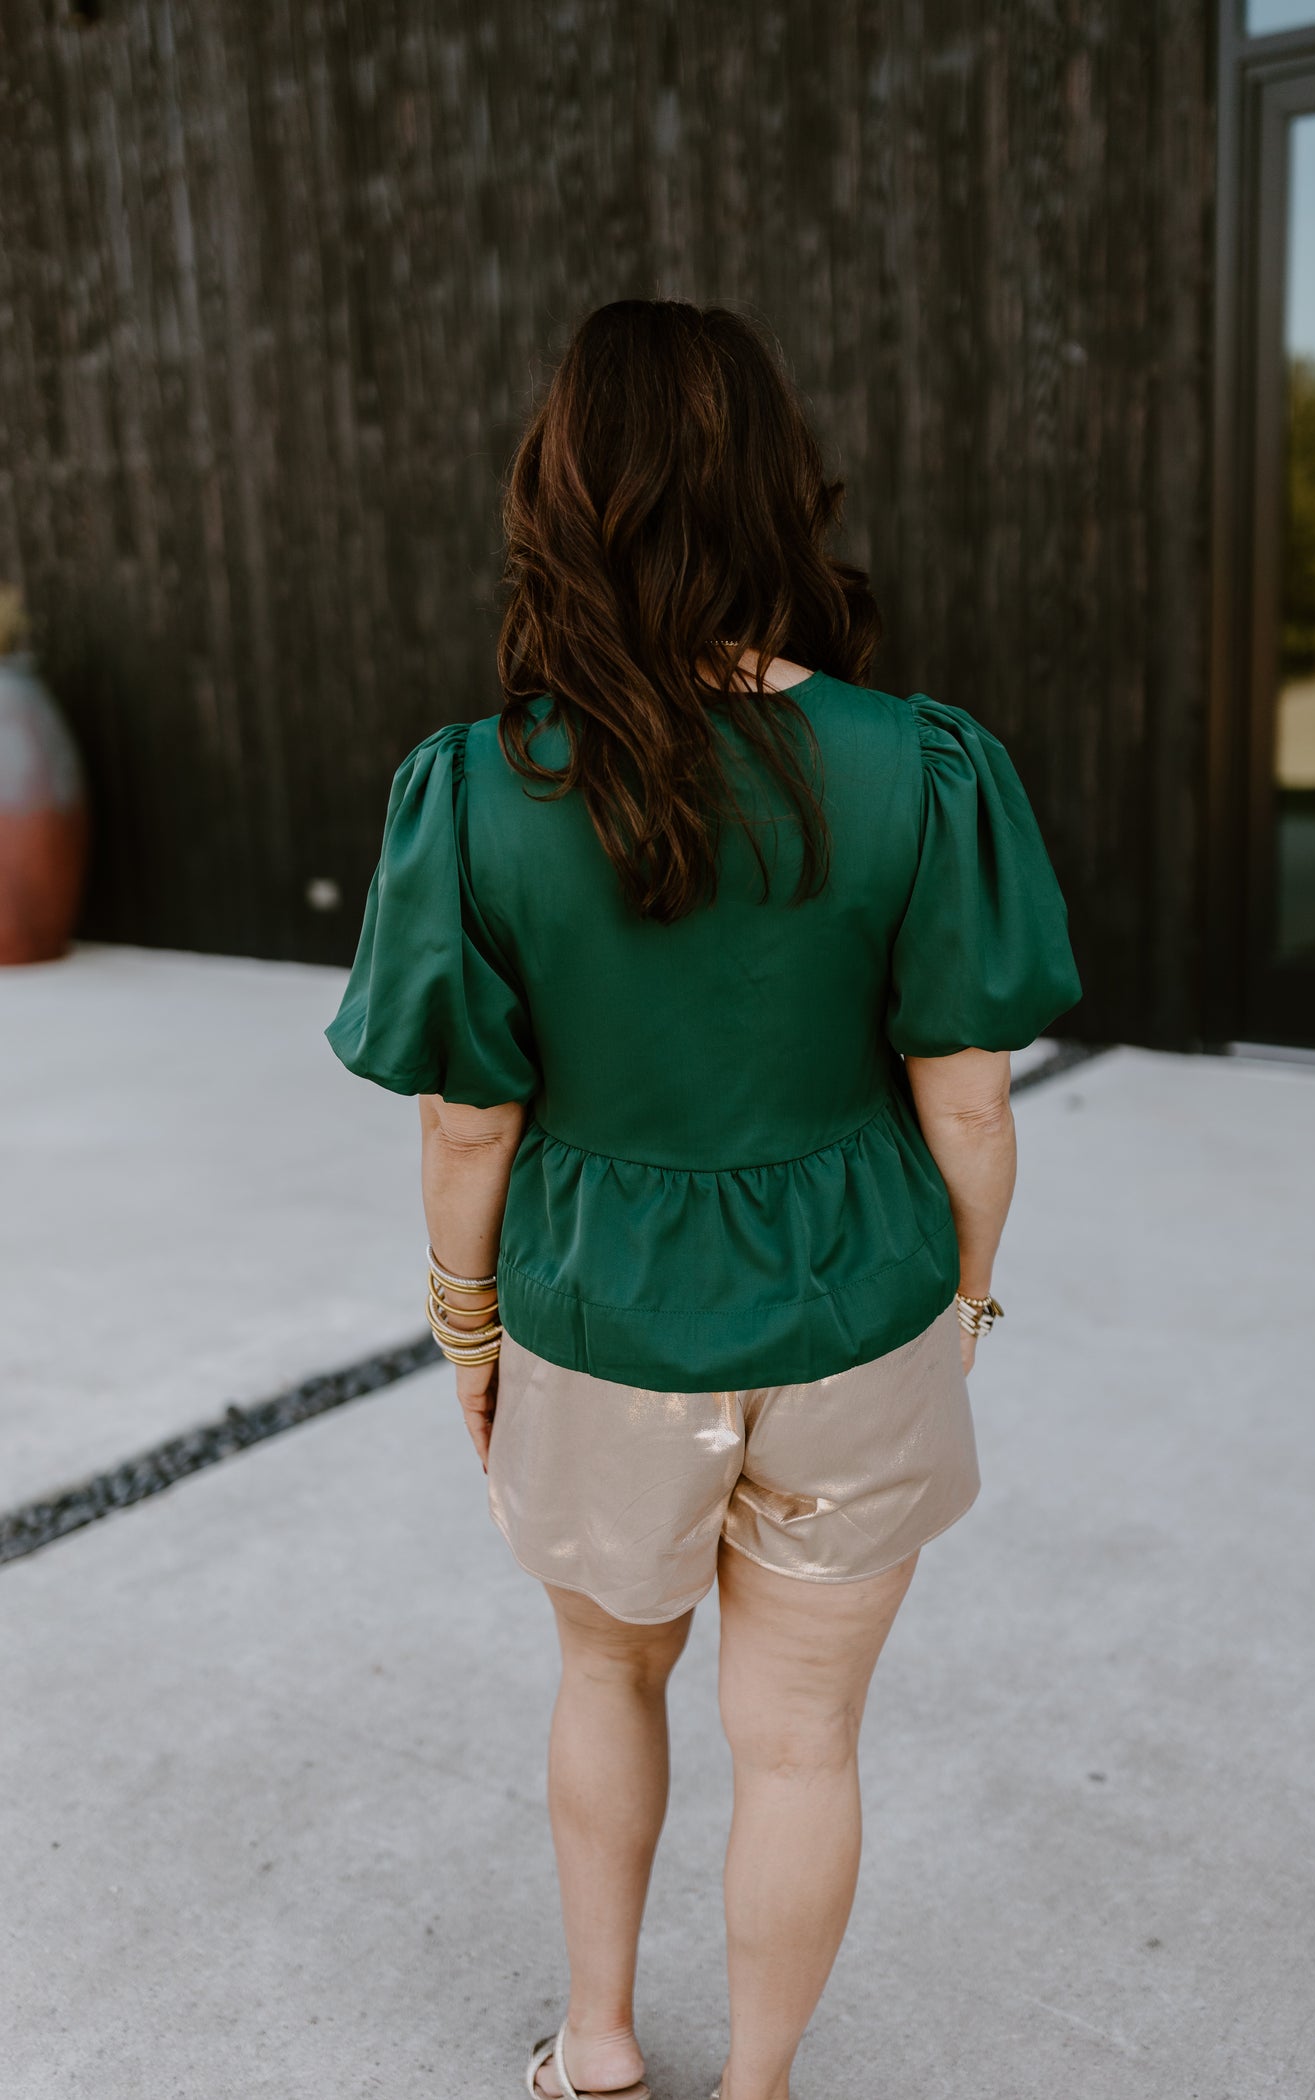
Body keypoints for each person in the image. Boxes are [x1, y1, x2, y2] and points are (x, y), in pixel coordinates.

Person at [326, 299, 1080, 2100]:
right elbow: (971, 1099)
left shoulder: (478, 790)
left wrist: (465, 1331)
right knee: (804, 1740)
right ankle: (757, 2088)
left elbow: (465, 1129)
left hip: (600, 1318)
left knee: (607, 1683)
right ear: (774, 490)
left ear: (560, 493)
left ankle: (595, 2050)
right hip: (858, 1303)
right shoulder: (921, 763)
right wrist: (965, 1301)